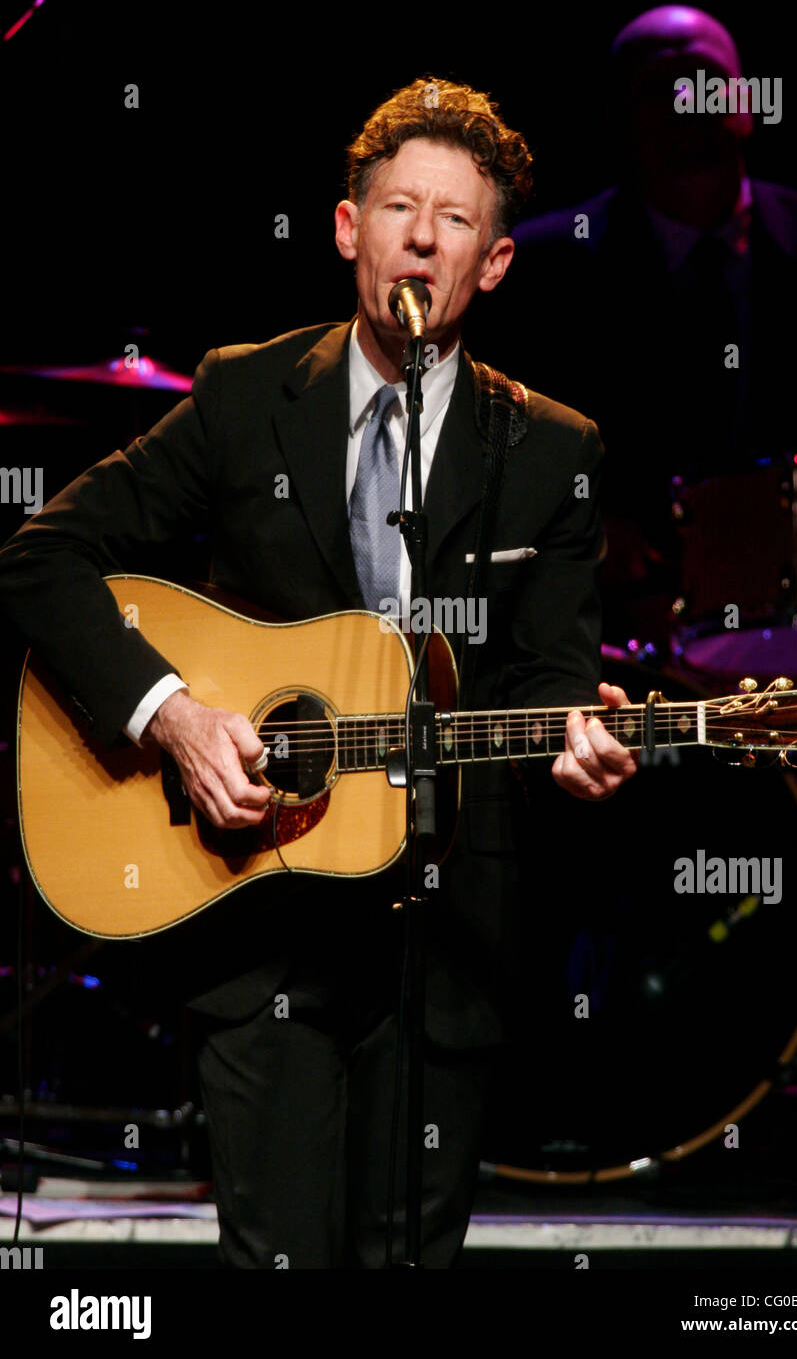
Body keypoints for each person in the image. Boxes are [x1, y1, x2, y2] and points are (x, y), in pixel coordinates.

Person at [0, 78, 636, 1268]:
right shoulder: (246, 396)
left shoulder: (552, 449)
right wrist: (174, 715)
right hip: (259, 918)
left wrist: (574, 749)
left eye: (455, 222)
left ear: (491, 265)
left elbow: (544, 686)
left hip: (448, 936)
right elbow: (43, 558)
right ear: (350, 229)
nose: (422, 237)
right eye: (400, 207)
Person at [475, 5, 797, 649]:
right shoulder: (540, 275)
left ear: (746, 106)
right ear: (617, 120)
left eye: (707, 83)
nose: (689, 106)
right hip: (621, 645)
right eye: (660, 90)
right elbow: (494, 460)